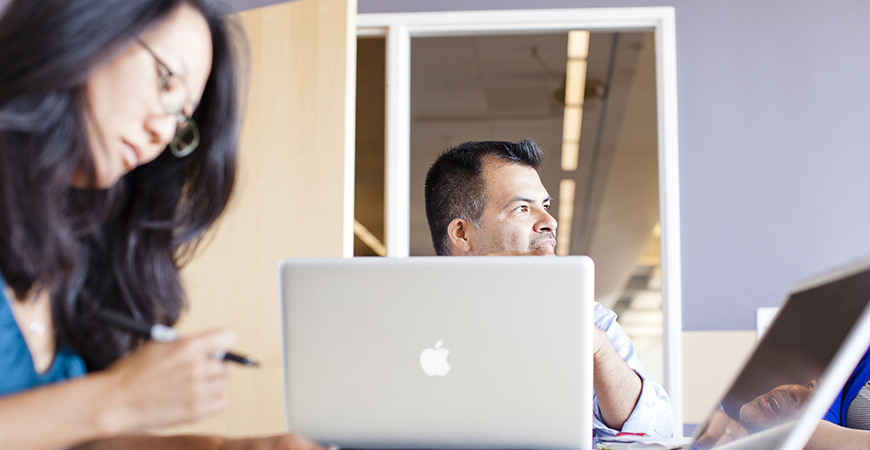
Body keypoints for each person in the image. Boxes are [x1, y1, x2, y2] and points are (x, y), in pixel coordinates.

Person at [0, 1, 321, 449]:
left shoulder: (77, 252)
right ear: (82, 26)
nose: (164, 133)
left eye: (182, 118)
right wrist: (116, 399)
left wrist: (231, 449)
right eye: (167, 82)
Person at [423, 139, 673, 438]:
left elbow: (656, 436)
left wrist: (599, 351)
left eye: (545, 205)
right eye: (522, 208)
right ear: (462, 234)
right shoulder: (401, 320)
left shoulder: (589, 319)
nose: (550, 221)